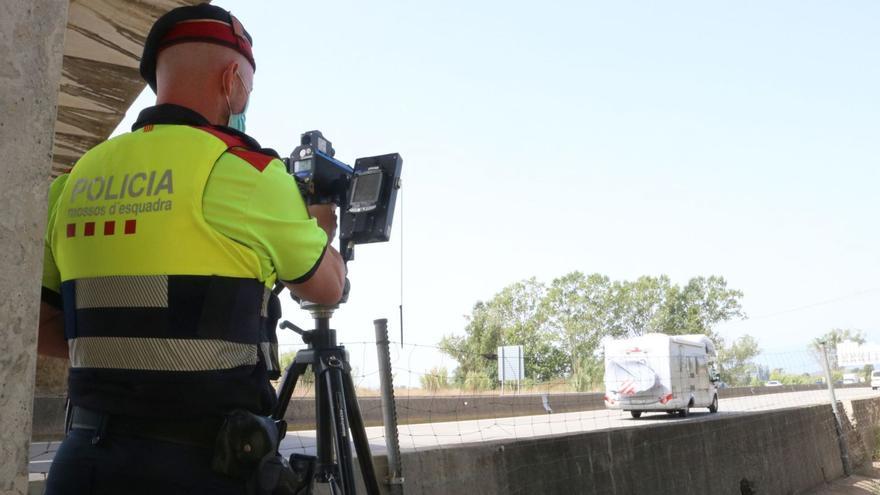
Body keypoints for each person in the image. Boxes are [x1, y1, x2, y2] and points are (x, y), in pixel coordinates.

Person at [39, 4, 346, 493]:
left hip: (82, 462)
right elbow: (327, 287)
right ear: (232, 80)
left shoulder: (72, 181)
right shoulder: (246, 171)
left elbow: (43, 328)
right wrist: (321, 229)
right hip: (204, 465)